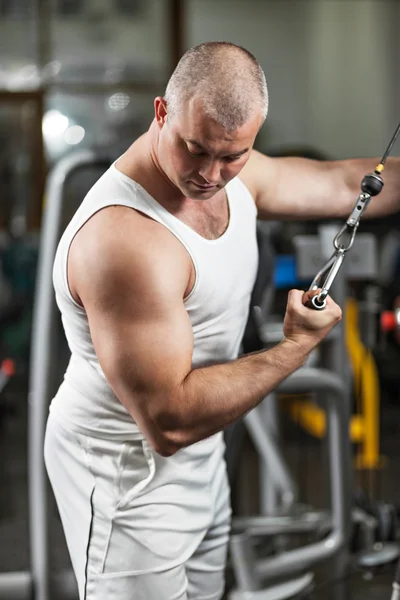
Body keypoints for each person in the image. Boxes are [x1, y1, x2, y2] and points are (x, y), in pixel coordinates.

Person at [44, 41, 400, 600]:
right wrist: (292, 348)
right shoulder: (126, 241)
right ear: (162, 112)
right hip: (127, 475)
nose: (212, 174)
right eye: (195, 149)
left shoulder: (238, 169)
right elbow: (168, 422)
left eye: (232, 155)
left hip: (203, 458)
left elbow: (341, 184)